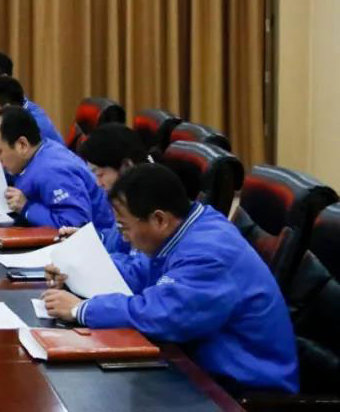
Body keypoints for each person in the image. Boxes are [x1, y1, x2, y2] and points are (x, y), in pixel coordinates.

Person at [41, 164, 299, 394]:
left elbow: (162, 314)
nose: (124, 238)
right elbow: (139, 271)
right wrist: (76, 271)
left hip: (241, 386)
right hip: (196, 360)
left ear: (159, 219)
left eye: (123, 228)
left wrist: (80, 309)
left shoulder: (208, 253)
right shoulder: (184, 228)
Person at [0, 106, 114, 230]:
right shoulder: (36, 153)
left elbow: (75, 226)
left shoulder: (53, 171)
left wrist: (27, 208)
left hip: (99, 239)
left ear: (22, 145)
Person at [70, 123, 151, 253]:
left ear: (126, 166)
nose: (98, 183)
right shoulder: (128, 195)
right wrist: (88, 240)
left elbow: (137, 263)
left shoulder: (148, 205)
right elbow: (118, 242)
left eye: (100, 174)